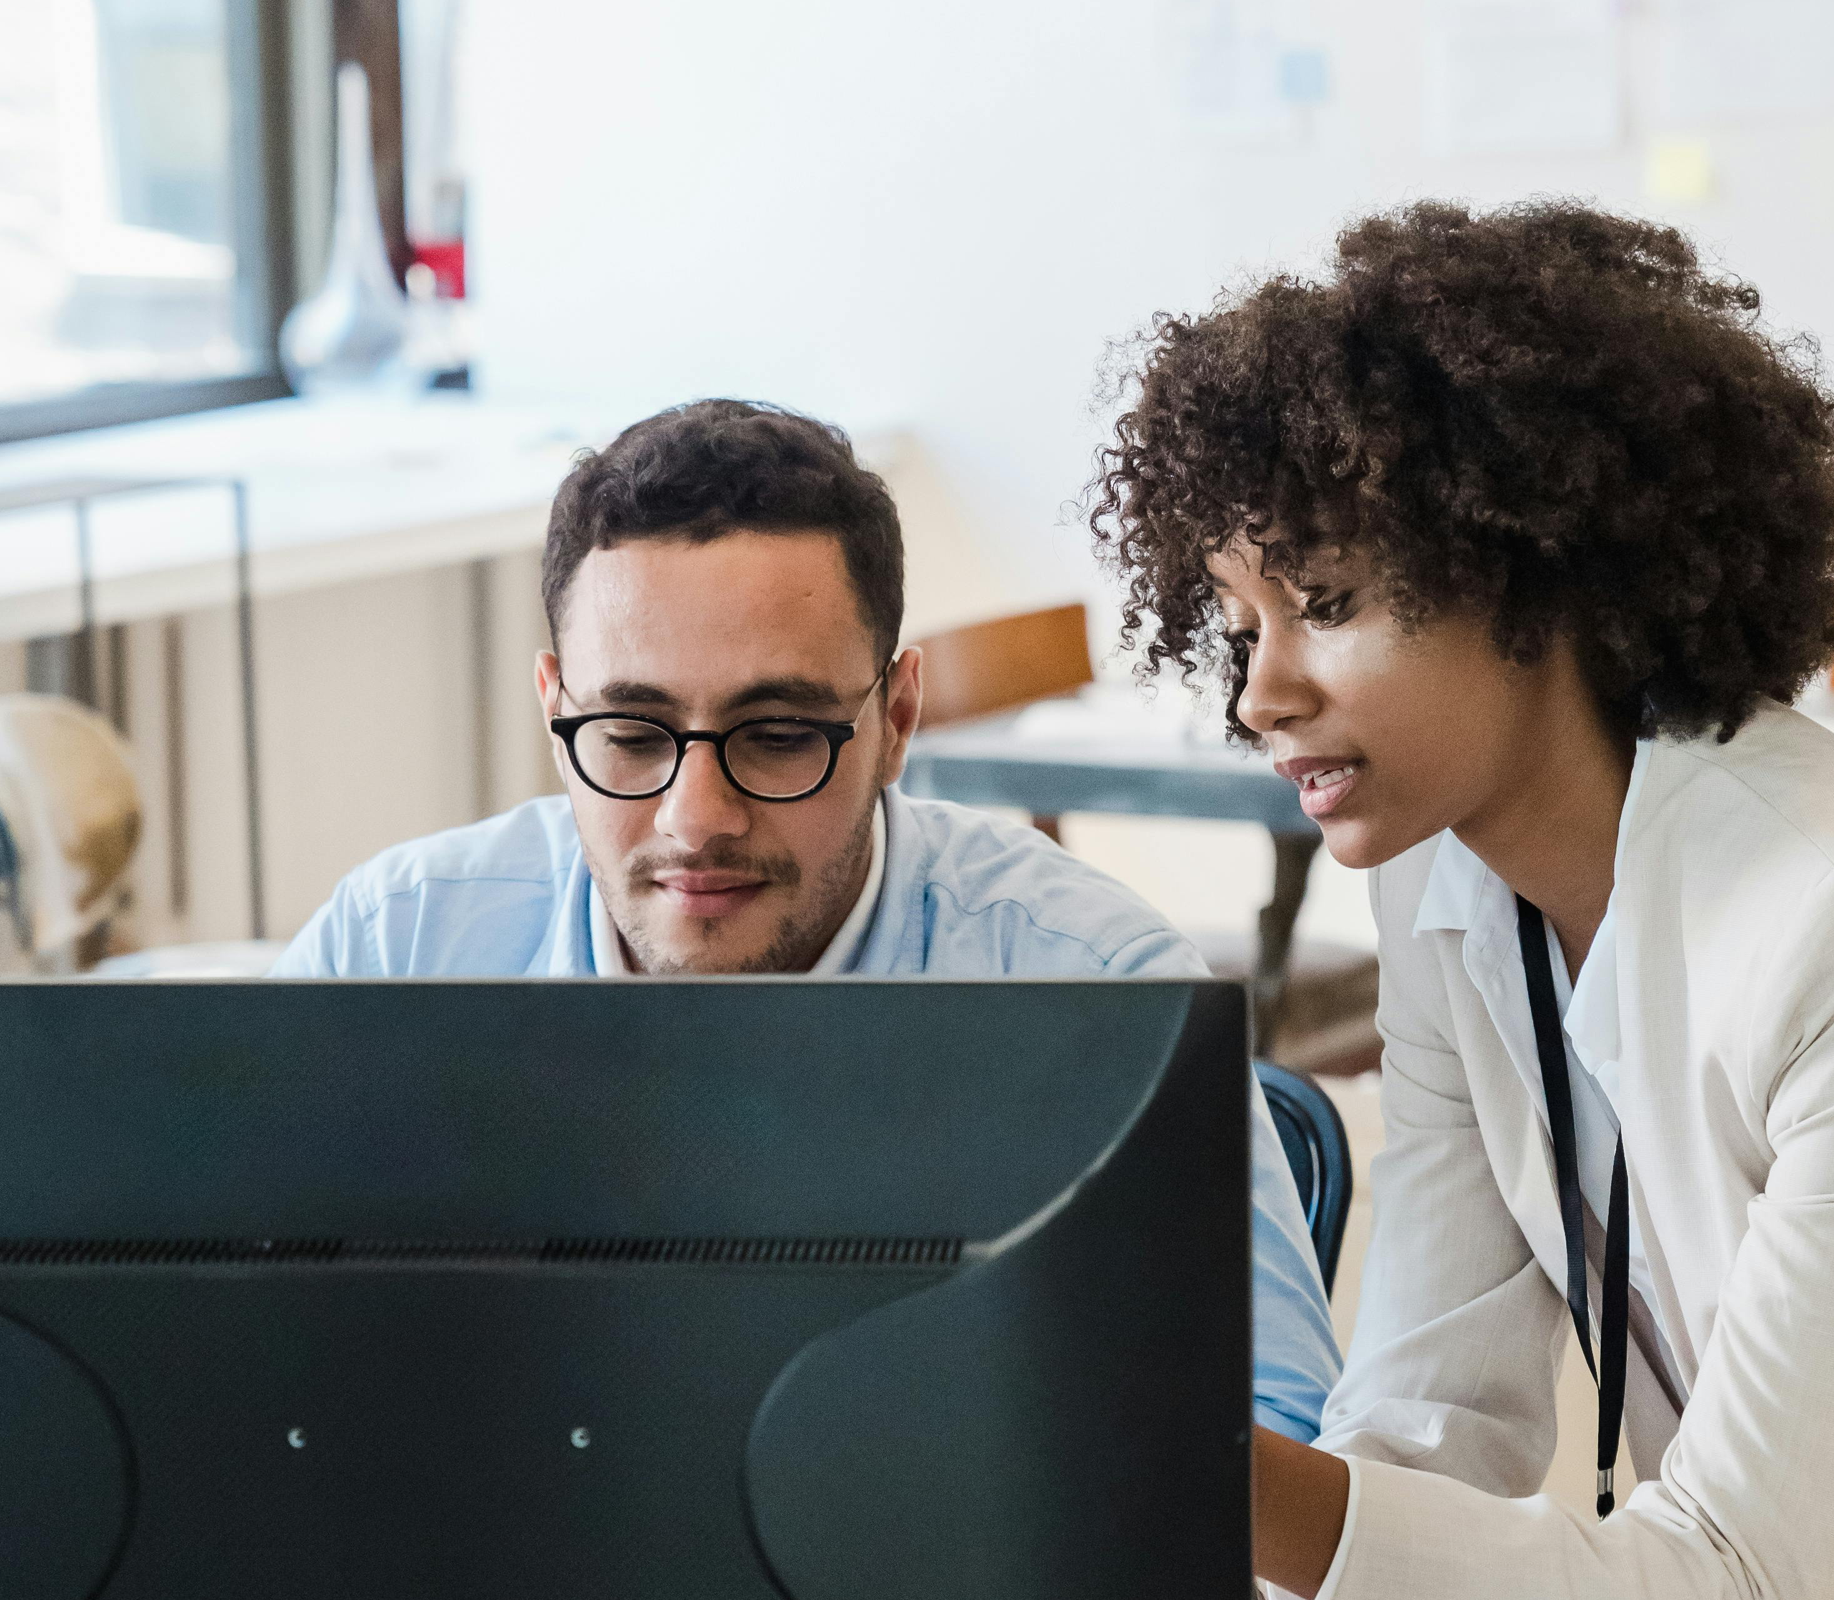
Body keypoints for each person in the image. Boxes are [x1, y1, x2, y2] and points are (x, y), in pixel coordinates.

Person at [1090, 202, 1834, 1598]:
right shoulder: (1444, 888)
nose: (1259, 693)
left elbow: (1733, 1572)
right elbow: (1431, 1431)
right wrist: (1203, 1482)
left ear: (1536, 568)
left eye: (1331, 602)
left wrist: (1200, 1467)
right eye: (1245, 624)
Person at [271, 398, 1340, 1440]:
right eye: (633, 735)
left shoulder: (1101, 989)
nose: (697, 820)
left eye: (778, 734)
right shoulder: (394, 946)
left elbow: (1276, 1438)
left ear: (896, 719)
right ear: (557, 713)